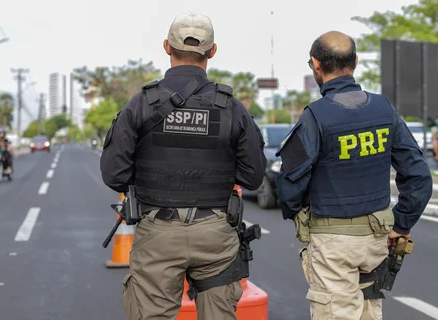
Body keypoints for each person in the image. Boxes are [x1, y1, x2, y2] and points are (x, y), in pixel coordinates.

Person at [100, 12, 266, 320]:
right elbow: (253, 176)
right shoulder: (231, 107)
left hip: (158, 230)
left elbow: (113, 172)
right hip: (217, 232)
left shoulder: (141, 103)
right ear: (212, 51)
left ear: (167, 47)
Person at [274, 31, 433, 320]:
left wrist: (297, 211)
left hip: (333, 243)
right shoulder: (384, 109)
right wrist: (402, 223)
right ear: (356, 62)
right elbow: (419, 175)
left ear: (315, 65)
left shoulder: (316, 116)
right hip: (376, 239)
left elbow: (289, 185)